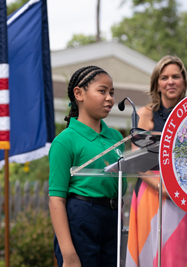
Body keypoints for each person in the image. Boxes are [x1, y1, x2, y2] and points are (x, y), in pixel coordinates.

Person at [126, 56, 187, 267]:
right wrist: (165, 188)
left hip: (186, 195)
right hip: (152, 193)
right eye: (164, 77)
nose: (170, 81)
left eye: (176, 77)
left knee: (180, 257)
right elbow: (136, 162)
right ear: (157, 84)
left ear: (184, 82)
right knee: (152, 256)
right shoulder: (144, 115)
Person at [48, 66, 127, 267]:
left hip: (113, 219)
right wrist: (68, 254)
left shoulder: (116, 138)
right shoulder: (65, 141)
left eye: (112, 93)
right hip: (81, 219)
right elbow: (56, 200)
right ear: (79, 93)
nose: (109, 98)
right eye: (102, 91)